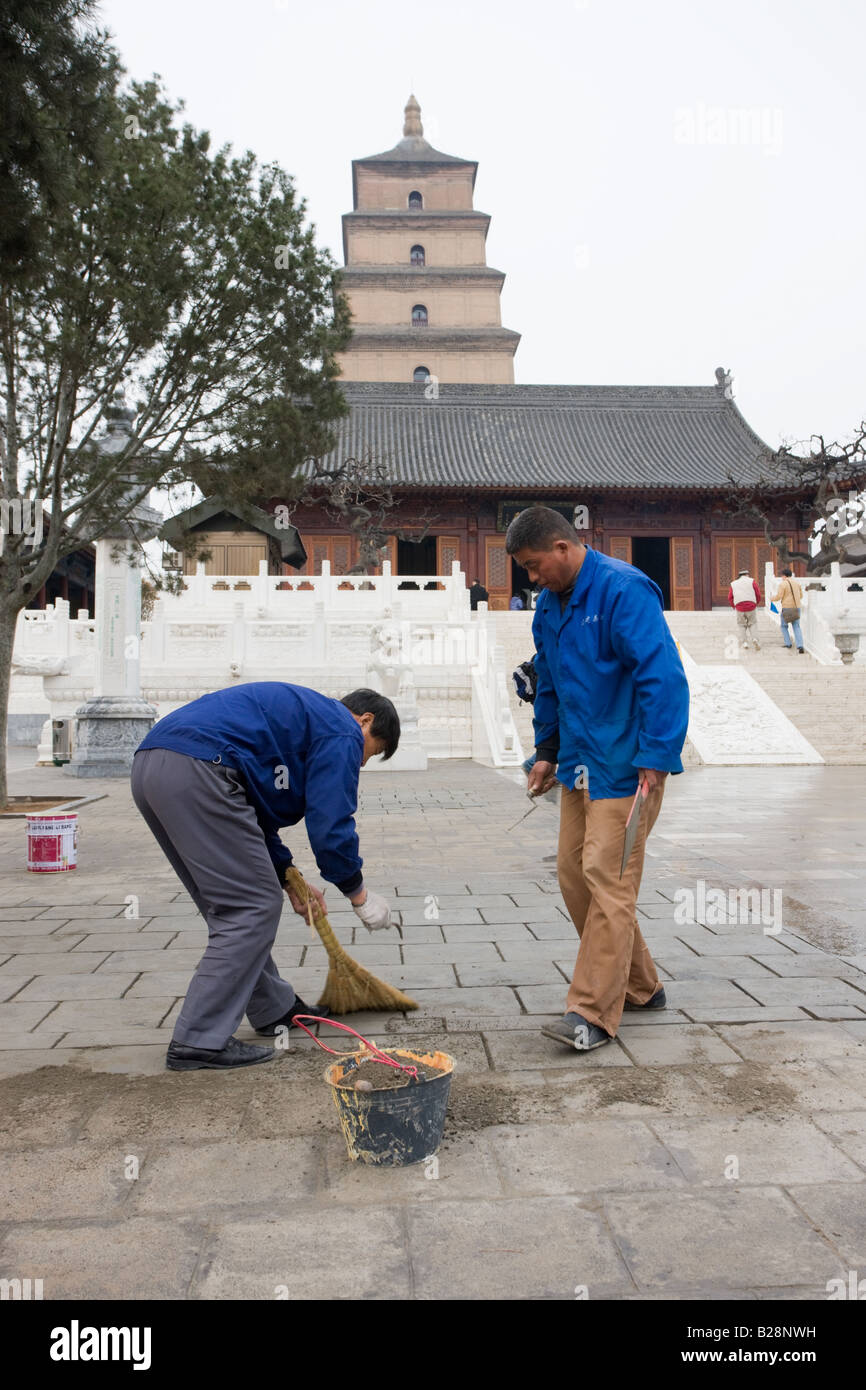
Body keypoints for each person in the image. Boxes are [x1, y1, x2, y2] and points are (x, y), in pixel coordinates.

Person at [131, 683, 400, 1071]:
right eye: (369, 752)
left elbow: (254, 813)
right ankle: (197, 1042)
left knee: (233, 907)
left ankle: (274, 1008)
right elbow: (330, 825)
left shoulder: (303, 720)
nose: (359, 764)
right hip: (198, 768)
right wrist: (359, 894)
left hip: (155, 765)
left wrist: (289, 876)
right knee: (250, 907)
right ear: (365, 720)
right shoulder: (341, 727)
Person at [505, 506, 689, 1052]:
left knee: (607, 876)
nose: (533, 578)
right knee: (573, 875)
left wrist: (657, 755)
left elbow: (663, 676)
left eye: (536, 566)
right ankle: (639, 985)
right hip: (579, 763)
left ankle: (591, 1012)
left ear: (564, 547)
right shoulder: (549, 607)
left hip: (629, 766)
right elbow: (552, 685)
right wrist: (545, 751)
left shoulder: (624, 591)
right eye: (525, 570)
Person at [728, 568, 762, 650]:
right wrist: (755, 603)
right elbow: (758, 593)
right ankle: (754, 639)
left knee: (741, 625)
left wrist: (734, 606)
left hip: (739, 606)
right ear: (747, 575)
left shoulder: (733, 583)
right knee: (752, 623)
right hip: (751, 605)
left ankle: (745, 642)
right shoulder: (752, 581)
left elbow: (730, 597)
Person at [772, 567, 804, 652]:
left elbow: (779, 596)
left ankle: (788, 643)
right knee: (796, 626)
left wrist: (772, 599)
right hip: (797, 607)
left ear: (784, 576)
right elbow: (801, 596)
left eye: (782, 576)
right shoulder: (797, 583)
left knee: (784, 626)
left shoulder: (783, 584)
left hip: (787, 608)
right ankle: (800, 646)